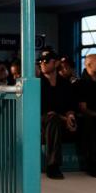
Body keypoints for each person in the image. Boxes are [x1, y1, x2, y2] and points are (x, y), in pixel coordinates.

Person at [39, 51, 77, 179]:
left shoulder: (64, 83)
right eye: (41, 61)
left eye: (46, 61)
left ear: (56, 63)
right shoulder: (38, 83)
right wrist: (64, 118)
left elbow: (69, 105)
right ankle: (53, 166)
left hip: (61, 119)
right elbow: (45, 110)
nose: (42, 64)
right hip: (43, 121)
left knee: (89, 121)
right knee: (53, 118)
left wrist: (70, 116)